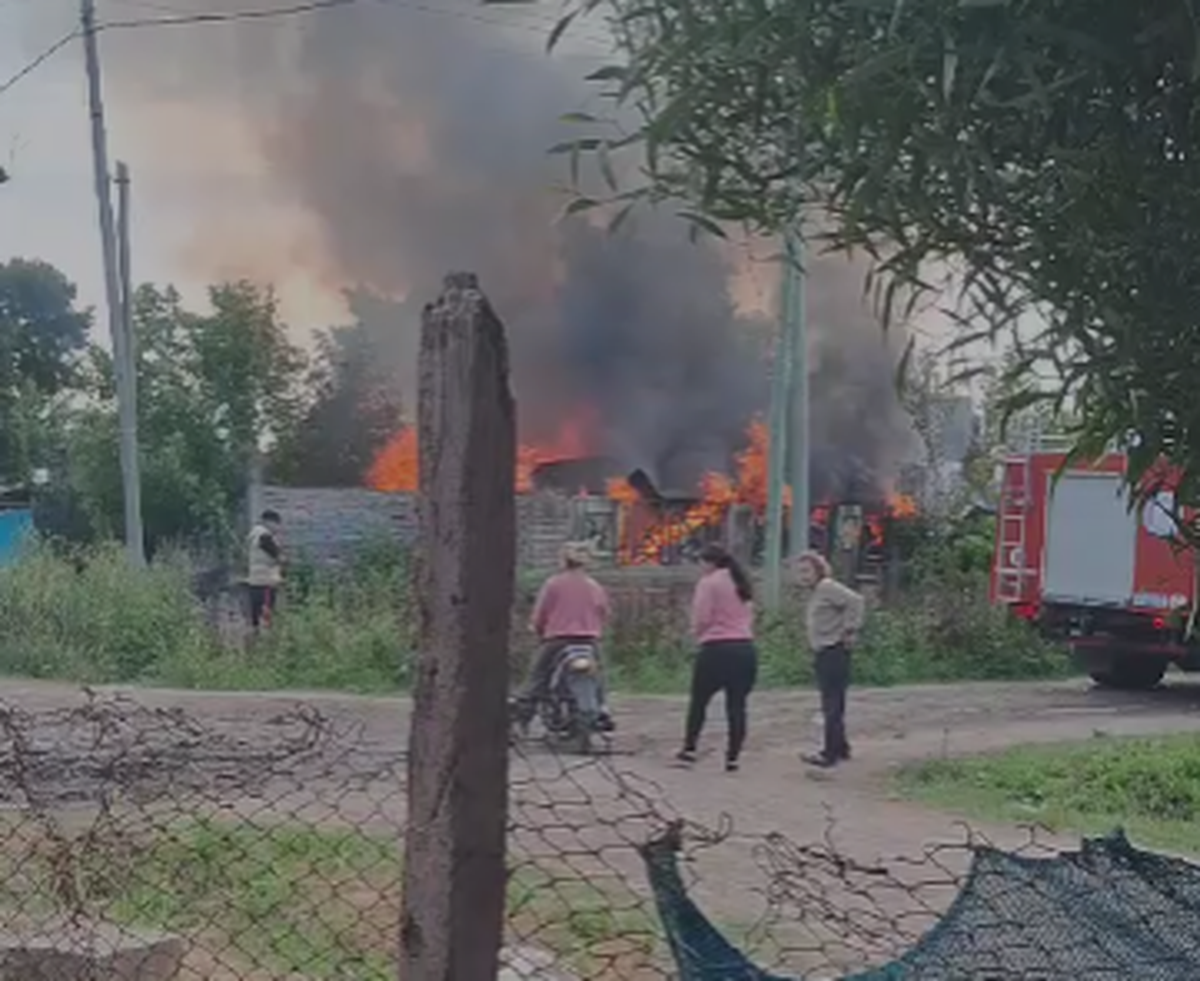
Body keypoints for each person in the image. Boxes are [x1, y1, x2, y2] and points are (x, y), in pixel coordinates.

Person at [516, 542, 614, 732]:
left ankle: (524, 715)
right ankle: (602, 709)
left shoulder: (553, 584)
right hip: (588, 640)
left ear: (563, 561)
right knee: (598, 676)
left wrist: (536, 628)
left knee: (537, 677)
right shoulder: (593, 585)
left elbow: (541, 613)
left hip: (558, 639)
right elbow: (604, 612)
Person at [677, 543, 758, 773]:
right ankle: (733, 757)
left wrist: (696, 634)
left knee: (699, 701)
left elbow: (702, 616)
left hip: (716, 647)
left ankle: (690, 748)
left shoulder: (709, 583)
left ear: (708, 563)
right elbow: (750, 614)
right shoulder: (741, 581)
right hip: (744, 648)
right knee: (737, 706)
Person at [794, 549, 865, 768]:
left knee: (831, 703)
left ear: (818, 570)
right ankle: (840, 747)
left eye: (807, 570)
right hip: (825, 649)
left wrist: (850, 629)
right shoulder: (818, 591)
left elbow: (855, 600)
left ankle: (829, 753)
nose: (803, 576)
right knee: (833, 701)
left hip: (833, 649)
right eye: (800, 572)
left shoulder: (827, 587)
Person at [247, 509, 284, 631]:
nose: (278, 528)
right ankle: (266, 640)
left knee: (256, 615)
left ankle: (255, 637)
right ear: (269, 522)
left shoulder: (253, 535)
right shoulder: (265, 536)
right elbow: (278, 556)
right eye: (277, 524)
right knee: (267, 613)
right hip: (266, 581)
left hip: (255, 580)